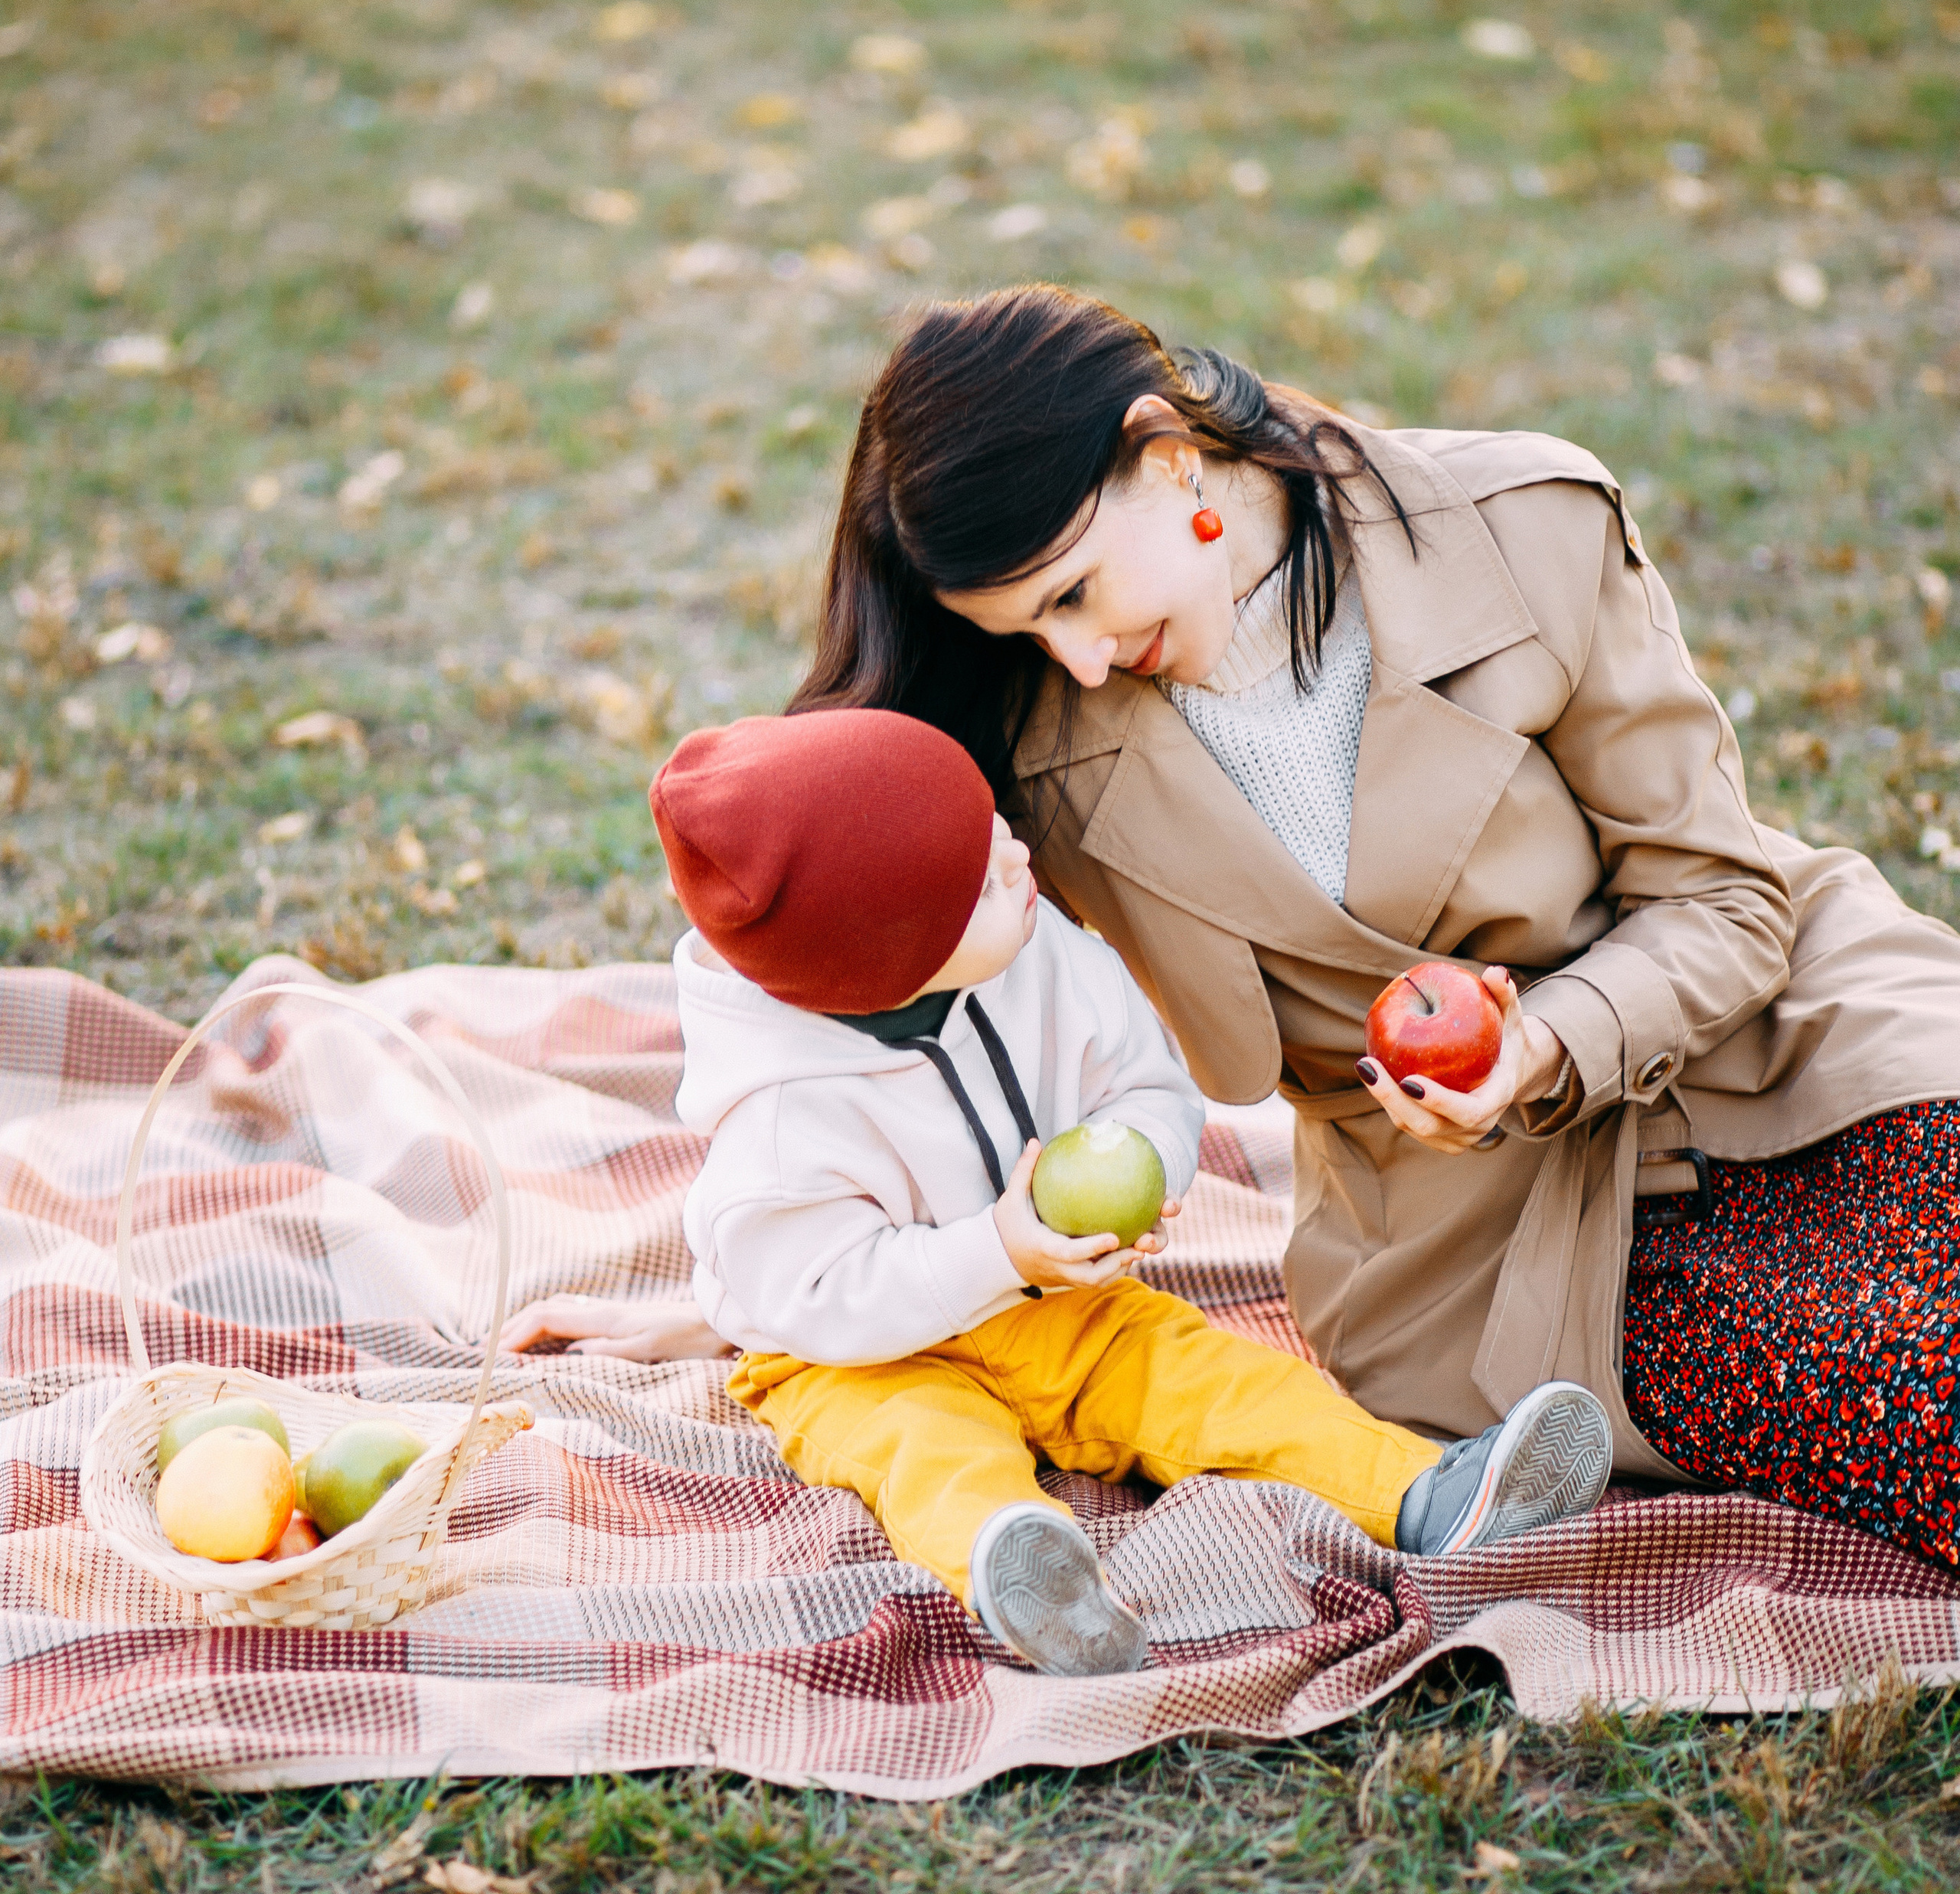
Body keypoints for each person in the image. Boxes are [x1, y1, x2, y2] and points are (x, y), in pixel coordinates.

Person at [790, 284, 1960, 1572]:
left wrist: (1541, 1043)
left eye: (1073, 594)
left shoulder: (1520, 528)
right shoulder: (1029, 742)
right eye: (1029, 631)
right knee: (1903, 1384)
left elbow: (1728, 902)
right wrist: (803, 1253)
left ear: (1169, 454)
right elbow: (826, 919)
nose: (1074, 659)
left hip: (1776, 1039)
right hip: (1478, 1231)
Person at [638, 704, 1613, 1677]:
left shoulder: (1036, 947)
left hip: (1066, 1304)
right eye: (977, 881)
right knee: (923, 1451)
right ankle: (1025, 1571)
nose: (1019, 861)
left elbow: (1144, 1082)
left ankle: (1436, 1493)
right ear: (890, 965)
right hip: (857, 1354)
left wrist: (1140, 1161)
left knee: (1219, 1382)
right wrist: (996, 1253)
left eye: (994, 829)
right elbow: (815, 1297)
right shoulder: (777, 1123)